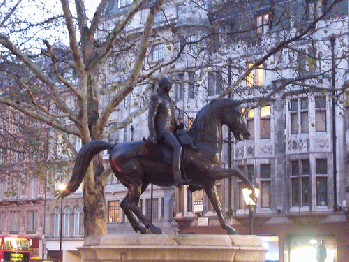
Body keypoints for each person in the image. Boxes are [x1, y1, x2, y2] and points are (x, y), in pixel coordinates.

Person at [148, 77, 191, 187]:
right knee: (178, 147)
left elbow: (170, 118)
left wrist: (178, 126)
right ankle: (177, 178)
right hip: (163, 132)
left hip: (172, 131)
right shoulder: (156, 98)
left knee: (188, 141)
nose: (171, 86)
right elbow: (151, 117)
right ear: (162, 85)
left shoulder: (169, 100)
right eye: (169, 84)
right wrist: (153, 134)